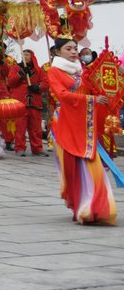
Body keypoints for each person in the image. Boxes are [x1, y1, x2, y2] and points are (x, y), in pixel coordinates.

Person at [46, 37, 120, 224]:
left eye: (75, 48)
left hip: (85, 123)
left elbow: (97, 88)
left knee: (92, 165)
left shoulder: (82, 72)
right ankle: (81, 206)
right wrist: (92, 101)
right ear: (57, 51)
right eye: (68, 49)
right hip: (66, 124)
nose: (73, 52)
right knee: (73, 168)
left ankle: (95, 206)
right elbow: (62, 95)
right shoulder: (54, 72)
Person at [5, 48, 46, 156]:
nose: (25, 57)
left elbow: (46, 83)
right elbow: (10, 82)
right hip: (20, 102)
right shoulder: (15, 68)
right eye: (23, 55)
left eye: (27, 55)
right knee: (20, 127)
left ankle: (37, 148)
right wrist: (20, 73)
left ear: (32, 56)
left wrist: (38, 87)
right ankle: (20, 148)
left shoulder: (39, 70)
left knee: (36, 128)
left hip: (34, 102)